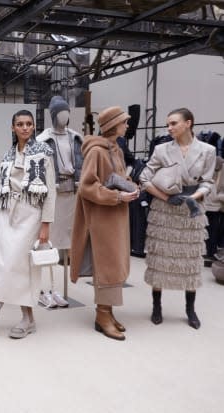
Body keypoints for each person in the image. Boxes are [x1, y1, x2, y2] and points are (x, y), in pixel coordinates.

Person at [0, 109, 56, 339]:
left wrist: (46, 224)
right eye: (20, 124)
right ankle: (28, 319)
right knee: (2, 265)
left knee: (21, 267)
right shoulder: (8, 155)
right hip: (7, 215)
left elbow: (50, 192)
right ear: (13, 128)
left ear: (34, 127)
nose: (25, 127)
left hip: (31, 215)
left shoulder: (44, 152)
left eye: (29, 124)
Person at [139, 108, 216, 329]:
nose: (169, 128)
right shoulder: (162, 149)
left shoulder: (208, 150)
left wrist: (193, 197)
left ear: (188, 123)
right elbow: (145, 178)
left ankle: (190, 309)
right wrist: (165, 197)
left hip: (191, 209)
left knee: (190, 261)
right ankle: (156, 306)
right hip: (164, 210)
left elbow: (208, 182)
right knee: (160, 259)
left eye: (174, 123)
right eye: (168, 124)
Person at [70, 106, 139, 341]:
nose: (127, 125)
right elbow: (86, 186)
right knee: (107, 266)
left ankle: (107, 312)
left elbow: (117, 176)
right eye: (124, 122)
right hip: (103, 218)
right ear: (112, 125)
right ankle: (102, 315)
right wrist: (116, 196)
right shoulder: (96, 152)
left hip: (117, 216)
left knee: (115, 264)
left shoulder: (116, 149)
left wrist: (130, 185)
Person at [35, 96, 83, 308]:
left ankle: (58, 290)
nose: (65, 115)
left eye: (66, 111)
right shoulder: (42, 140)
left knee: (66, 243)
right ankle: (44, 289)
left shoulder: (76, 138)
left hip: (72, 193)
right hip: (51, 196)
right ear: (53, 115)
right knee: (47, 243)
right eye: (60, 112)